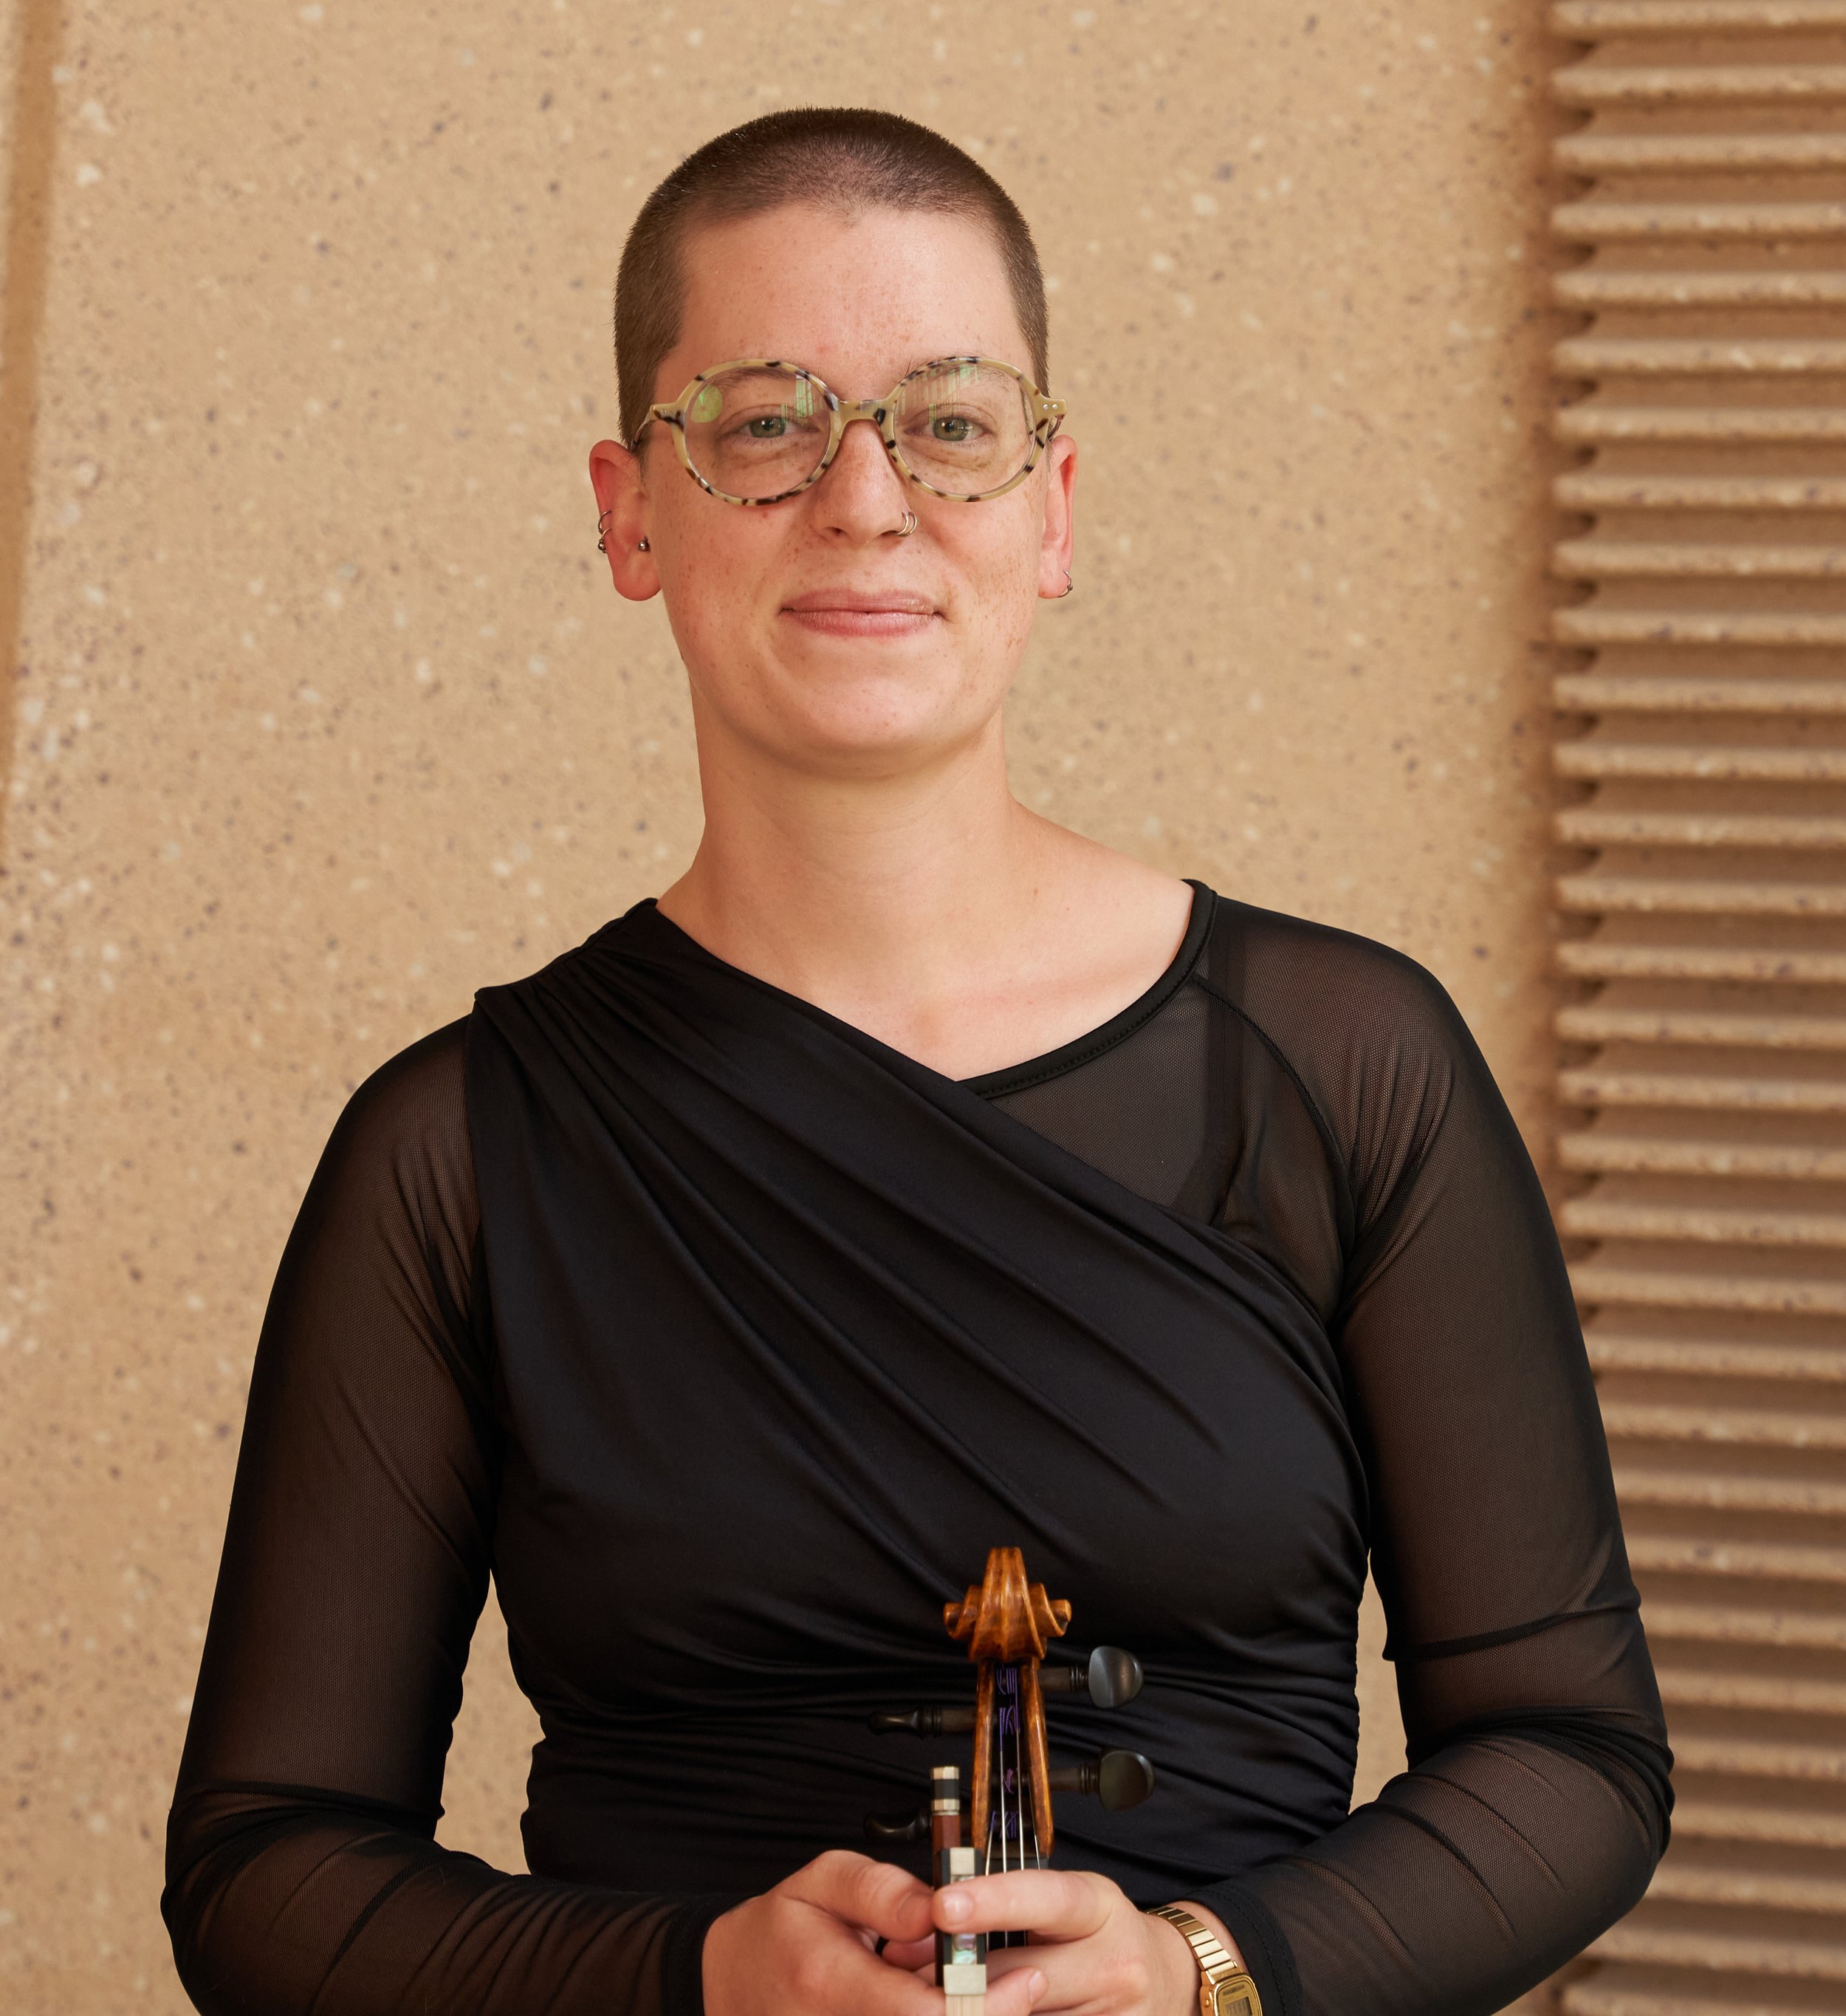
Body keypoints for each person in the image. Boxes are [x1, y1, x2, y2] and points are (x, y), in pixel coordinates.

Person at [162, 108, 1671, 2016]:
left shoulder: (1342, 1067)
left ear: (1054, 510)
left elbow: (1571, 1753)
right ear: (631, 513)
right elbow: (265, 1870)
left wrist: (1207, 1972)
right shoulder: (457, 1149)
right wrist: (694, 1979)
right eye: (765, 423)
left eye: (949, 421)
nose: (866, 502)